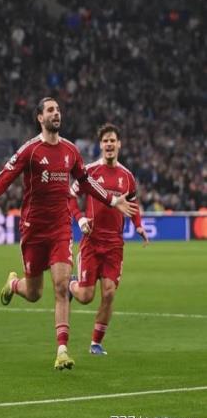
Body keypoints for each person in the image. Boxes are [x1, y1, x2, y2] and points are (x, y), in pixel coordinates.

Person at [0, 97, 137, 370]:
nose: (56, 113)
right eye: (50, 110)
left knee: (61, 287)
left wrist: (112, 200)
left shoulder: (71, 151)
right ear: (40, 118)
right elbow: (4, 178)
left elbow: (86, 181)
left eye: (58, 110)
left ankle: (62, 350)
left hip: (60, 229)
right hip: (33, 230)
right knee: (34, 292)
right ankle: (14, 284)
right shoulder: (30, 151)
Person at [68, 123, 149, 355]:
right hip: (92, 241)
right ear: (100, 145)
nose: (109, 144)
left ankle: (96, 343)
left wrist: (138, 225)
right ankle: (71, 285)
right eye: (105, 141)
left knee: (109, 293)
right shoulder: (89, 172)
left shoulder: (127, 177)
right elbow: (70, 196)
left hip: (114, 244)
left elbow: (132, 203)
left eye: (113, 140)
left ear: (119, 144)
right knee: (85, 296)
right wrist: (80, 219)